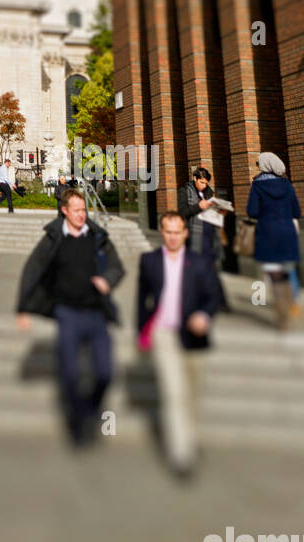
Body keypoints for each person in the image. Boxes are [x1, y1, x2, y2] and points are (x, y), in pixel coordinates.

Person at [16, 187, 125, 446]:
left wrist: (107, 280)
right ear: (64, 211)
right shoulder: (54, 238)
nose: (81, 215)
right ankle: (78, 425)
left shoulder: (97, 237)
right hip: (67, 313)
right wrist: (23, 308)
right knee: (71, 374)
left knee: (105, 373)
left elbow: (116, 266)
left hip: (96, 313)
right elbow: (32, 269)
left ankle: (90, 409)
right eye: (76, 210)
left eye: (84, 210)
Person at [137, 210, 225, 477]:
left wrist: (205, 315)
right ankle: (182, 455)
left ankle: (190, 436)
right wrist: (142, 335)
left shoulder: (199, 263)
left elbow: (215, 296)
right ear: (162, 233)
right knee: (174, 394)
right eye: (168, 232)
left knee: (193, 394)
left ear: (185, 233)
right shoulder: (149, 261)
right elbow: (142, 301)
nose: (173, 237)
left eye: (178, 232)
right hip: (164, 335)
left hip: (194, 336)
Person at [247, 151, 301, 329]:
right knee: (286, 272)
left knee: (275, 275)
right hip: (287, 232)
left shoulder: (257, 186)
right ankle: (289, 307)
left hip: (268, 233)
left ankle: (282, 315)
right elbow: (296, 212)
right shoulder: (286, 184)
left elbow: (252, 211)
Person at [179, 166, 223, 268]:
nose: (204, 186)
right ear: (195, 178)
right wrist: (198, 207)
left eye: (206, 183)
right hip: (193, 232)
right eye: (201, 182)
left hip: (209, 233)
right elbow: (182, 212)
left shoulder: (209, 192)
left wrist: (220, 211)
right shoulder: (184, 191)